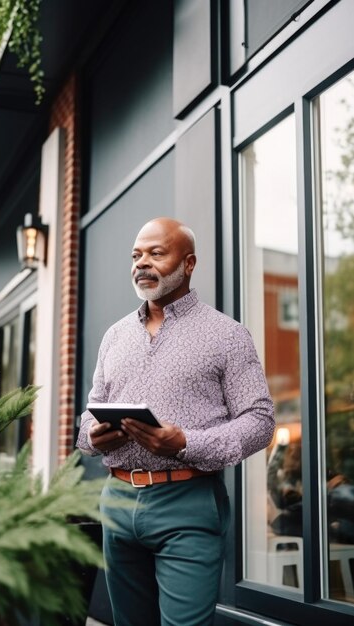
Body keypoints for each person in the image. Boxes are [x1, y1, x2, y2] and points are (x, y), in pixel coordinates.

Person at [77, 217, 275, 626]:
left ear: (189, 263)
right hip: (116, 499)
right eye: (136, 255)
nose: (142, 263)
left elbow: (260, 421)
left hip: (188, 502)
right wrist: (94, 434)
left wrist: (185, 442)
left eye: (156, 253)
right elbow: (91, 409)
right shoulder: (114, 336)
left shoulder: (227, 335)